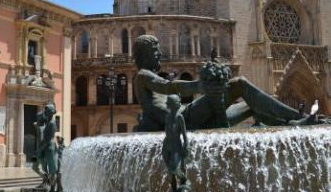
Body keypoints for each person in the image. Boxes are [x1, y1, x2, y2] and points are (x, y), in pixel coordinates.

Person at [132, 35, 313, 131]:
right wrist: (201, 86)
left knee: (250, 105)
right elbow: (169, 86)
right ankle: (297, 117)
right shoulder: (142, 75)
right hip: (187, 118)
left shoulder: (150, 77)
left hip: (195, 117)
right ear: (145, 54)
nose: (159, 54)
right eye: (155, 51)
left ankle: (291, 123)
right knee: (239, 84)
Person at [162, 95, 190, 192]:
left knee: (174, 169)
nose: (168, 106)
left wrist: (186, 146)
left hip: (176, 146)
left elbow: (184, 134)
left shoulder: (179, 117)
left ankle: (185, 180)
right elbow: (167, 132)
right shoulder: (167, 117)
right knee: (171, 173)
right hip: (167, 146)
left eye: (169, 104)